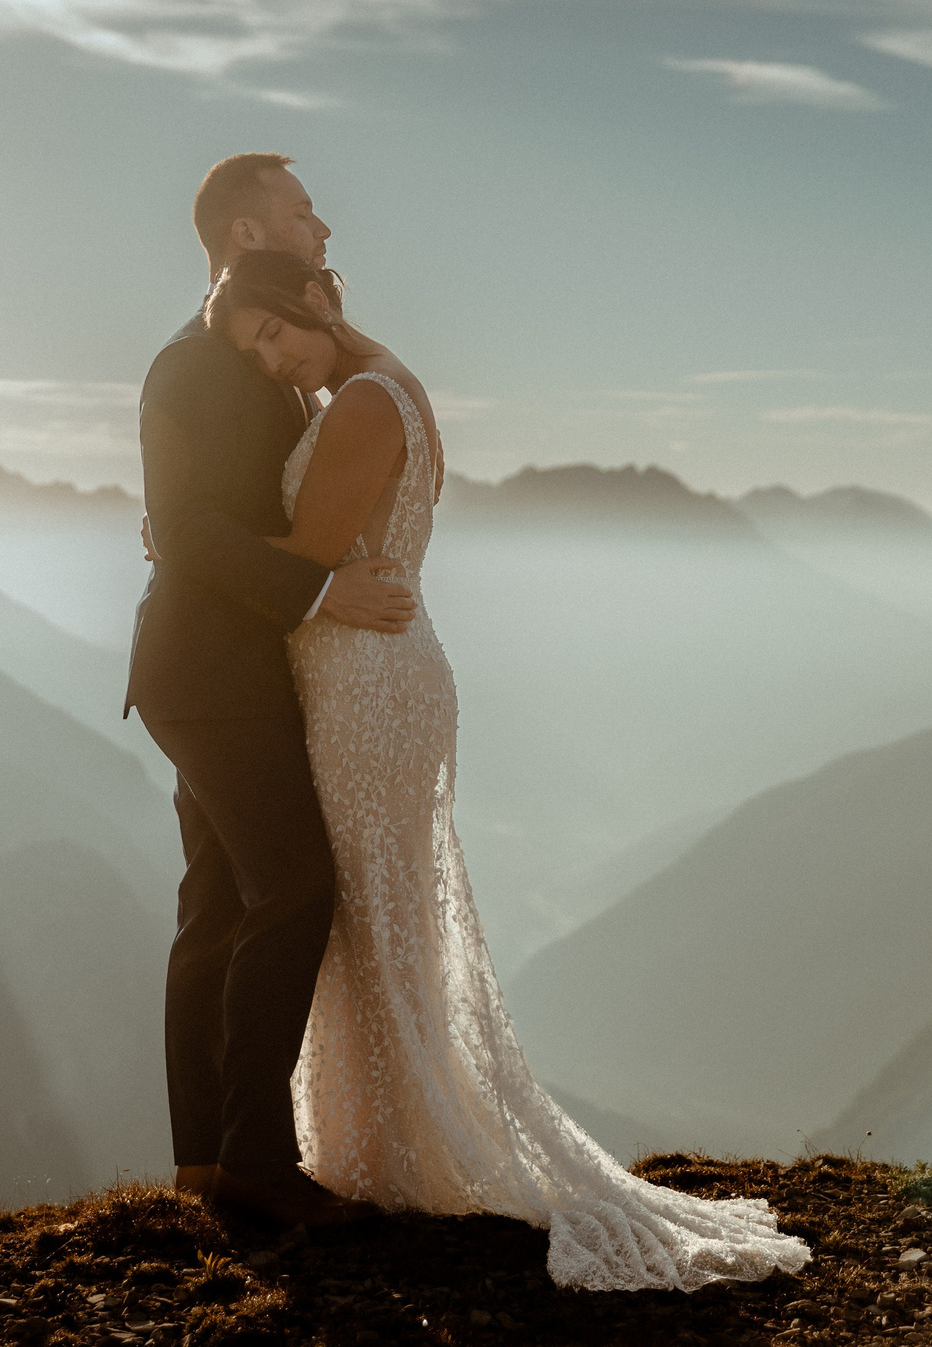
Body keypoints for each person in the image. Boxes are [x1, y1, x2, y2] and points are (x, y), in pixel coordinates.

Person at [202, 246, 813, 1292]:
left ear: (311, 297)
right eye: (253, 352)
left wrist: (186, 541)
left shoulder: (359, 400)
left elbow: (308, 547)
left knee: (373, 909)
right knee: (372, 908)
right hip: (373, 670)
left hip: (367, 684)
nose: (269, 362)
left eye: (272, 334)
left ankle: (402, 1150)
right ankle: (389, 1144)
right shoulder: (385, 378)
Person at [125, 153, 412, 1229]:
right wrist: (322, 592)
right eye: (300, 211)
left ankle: (204, 1164)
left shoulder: (252, 360)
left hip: (218, 666)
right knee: (292, 885)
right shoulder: (194, 366)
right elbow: (191, 527)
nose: (323, 226)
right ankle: (252, 1160)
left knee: (218, 904)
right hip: (209, 672)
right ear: (247, 237)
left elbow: (202, 520)